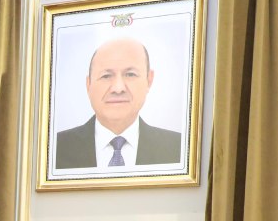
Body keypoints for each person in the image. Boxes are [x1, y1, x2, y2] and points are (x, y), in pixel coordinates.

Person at [54, 38, 182, 169]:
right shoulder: (54, 148)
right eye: (106, 76)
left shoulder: (178, 148)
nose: (118, 88)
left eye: (130, 74)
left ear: (149, 80)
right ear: (88, 84)